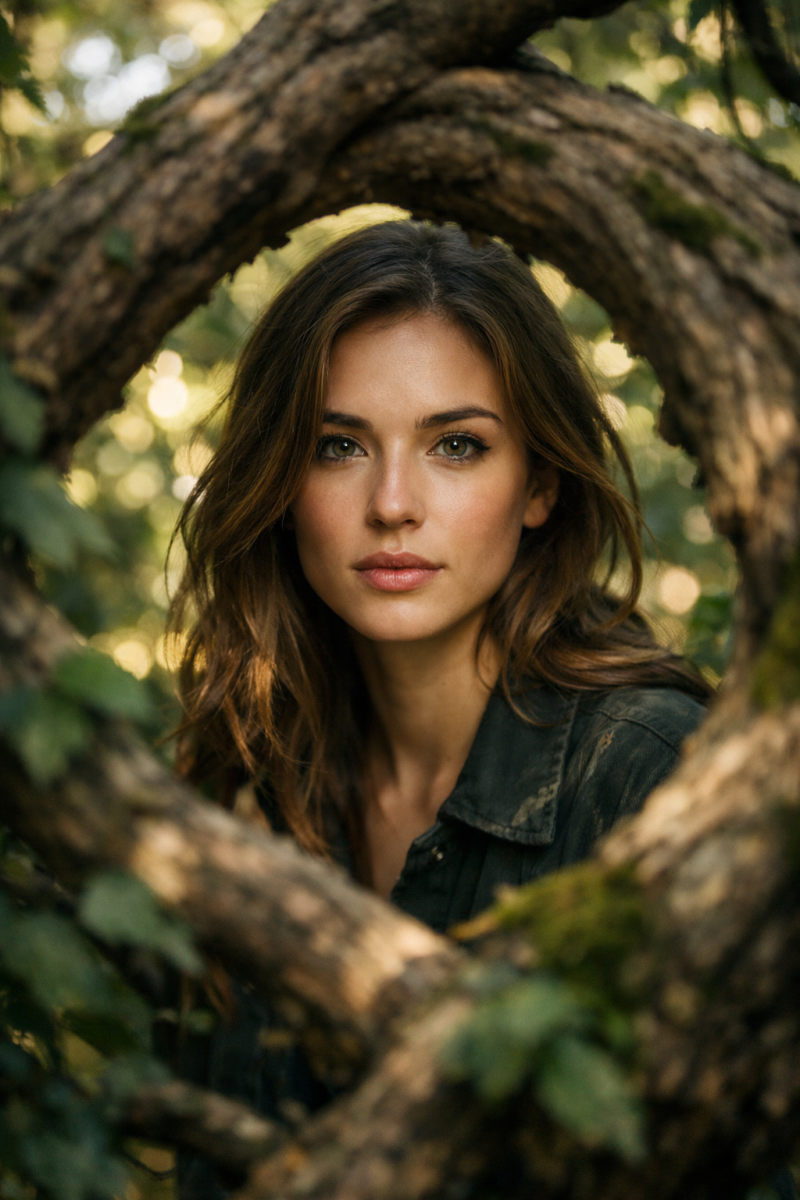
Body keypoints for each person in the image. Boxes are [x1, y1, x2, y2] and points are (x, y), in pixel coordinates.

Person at [166, 220, 789, 1199]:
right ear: (281, 485)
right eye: (337, 446)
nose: (392, 503)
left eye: (456, 445)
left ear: (538, 482)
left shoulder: (644, 774)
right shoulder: (247, 786)